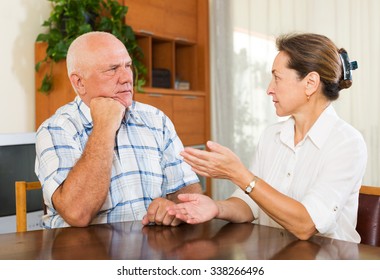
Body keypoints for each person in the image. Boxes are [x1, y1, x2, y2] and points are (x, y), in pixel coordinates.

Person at [167, 33, 367, 243]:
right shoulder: (271, 136)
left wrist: (239, 174)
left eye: (277, 78)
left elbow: (306, 224)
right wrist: (216, 207)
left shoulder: (347, 143)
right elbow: (250, 203)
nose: (269, 89)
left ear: (310, 83)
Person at [35, 31, 202, 229]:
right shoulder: (55, 129)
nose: (126, 78)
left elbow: (189, 193)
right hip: (85, 254)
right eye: (112, 69)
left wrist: (172, 208)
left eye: (128, 66)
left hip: (150, 251)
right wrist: (104, 126)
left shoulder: (156, 119)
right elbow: (77, 214)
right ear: (79, 83)